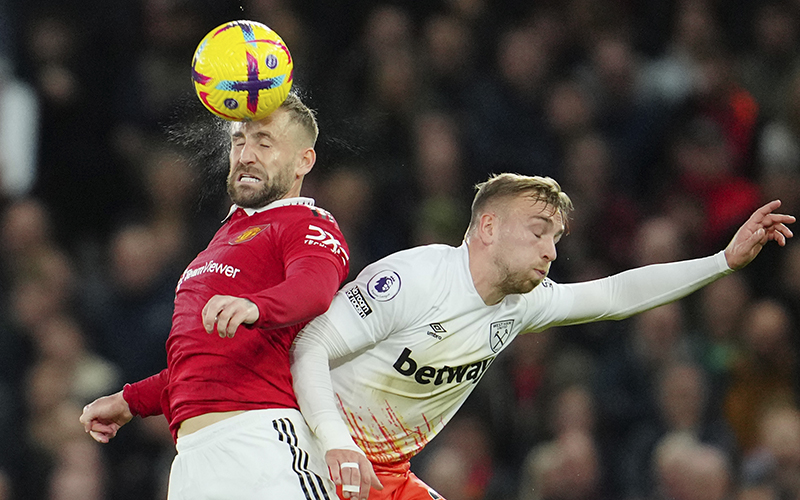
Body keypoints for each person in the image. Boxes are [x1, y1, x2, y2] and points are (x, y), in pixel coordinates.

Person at [288, 172, 794, 500]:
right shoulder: (414, 280)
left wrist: (721, 261)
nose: (551, 251)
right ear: (487, 227)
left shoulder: (524, 303)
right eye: (537, 231)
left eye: (555, 238)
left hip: (386, 470)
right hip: (310, 443)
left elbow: (616, 294)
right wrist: (335, 442)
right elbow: (310, 345)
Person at [79, 92, 352, 500]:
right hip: (191, 461)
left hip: (261, 444)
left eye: (265, 142)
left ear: (303, 162)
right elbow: (202, 363)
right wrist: (131, 400)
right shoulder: (219, 241)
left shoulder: (307, 223)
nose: (246, 154)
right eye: (239, 140)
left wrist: (256, 305)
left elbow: (313, 290)